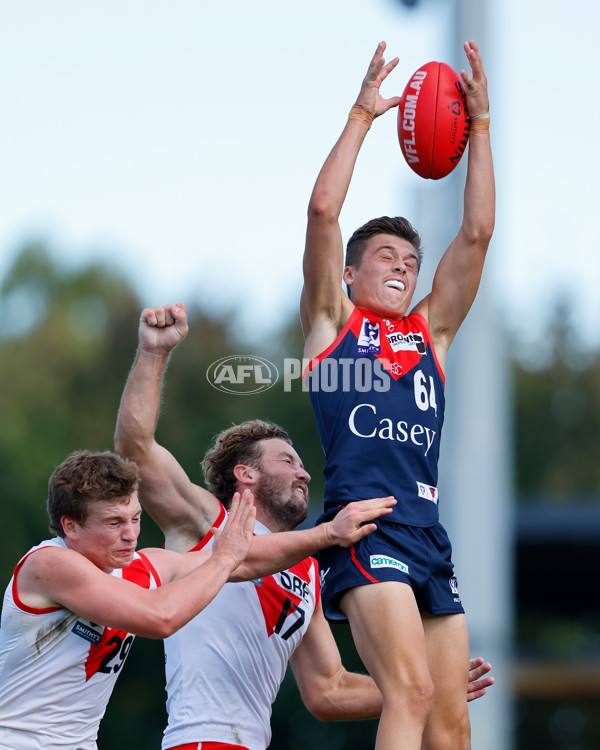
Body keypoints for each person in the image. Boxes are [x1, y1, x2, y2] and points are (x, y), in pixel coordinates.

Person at [114, 302, 494, 750]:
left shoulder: (307, 572)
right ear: (245, 474)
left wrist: (425, 686)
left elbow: (328, 690)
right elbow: (135, 450)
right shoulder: (206, 522)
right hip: (202, 741)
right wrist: (154, 353)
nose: (305, 474)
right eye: (288, 461)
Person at [300, 40, 495, 750]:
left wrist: (479, 129)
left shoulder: (429, 336)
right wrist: (360, 115)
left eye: (411, 262)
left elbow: (476, 234)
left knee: (452, 722)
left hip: (427, 536)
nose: (403, 268)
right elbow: (324, 212)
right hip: (367, 531)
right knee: (408, 692)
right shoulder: (332, 328)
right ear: (350, 276)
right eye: (386, 256)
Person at [0, 448, 389, 750]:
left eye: (135, 518)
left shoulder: (143, 565)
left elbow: (244, 560)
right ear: (70, 526)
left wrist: (328, 534)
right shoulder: (49, 564)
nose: (130, 534)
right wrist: (223, 558)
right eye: (114, 522)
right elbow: (160, 617)